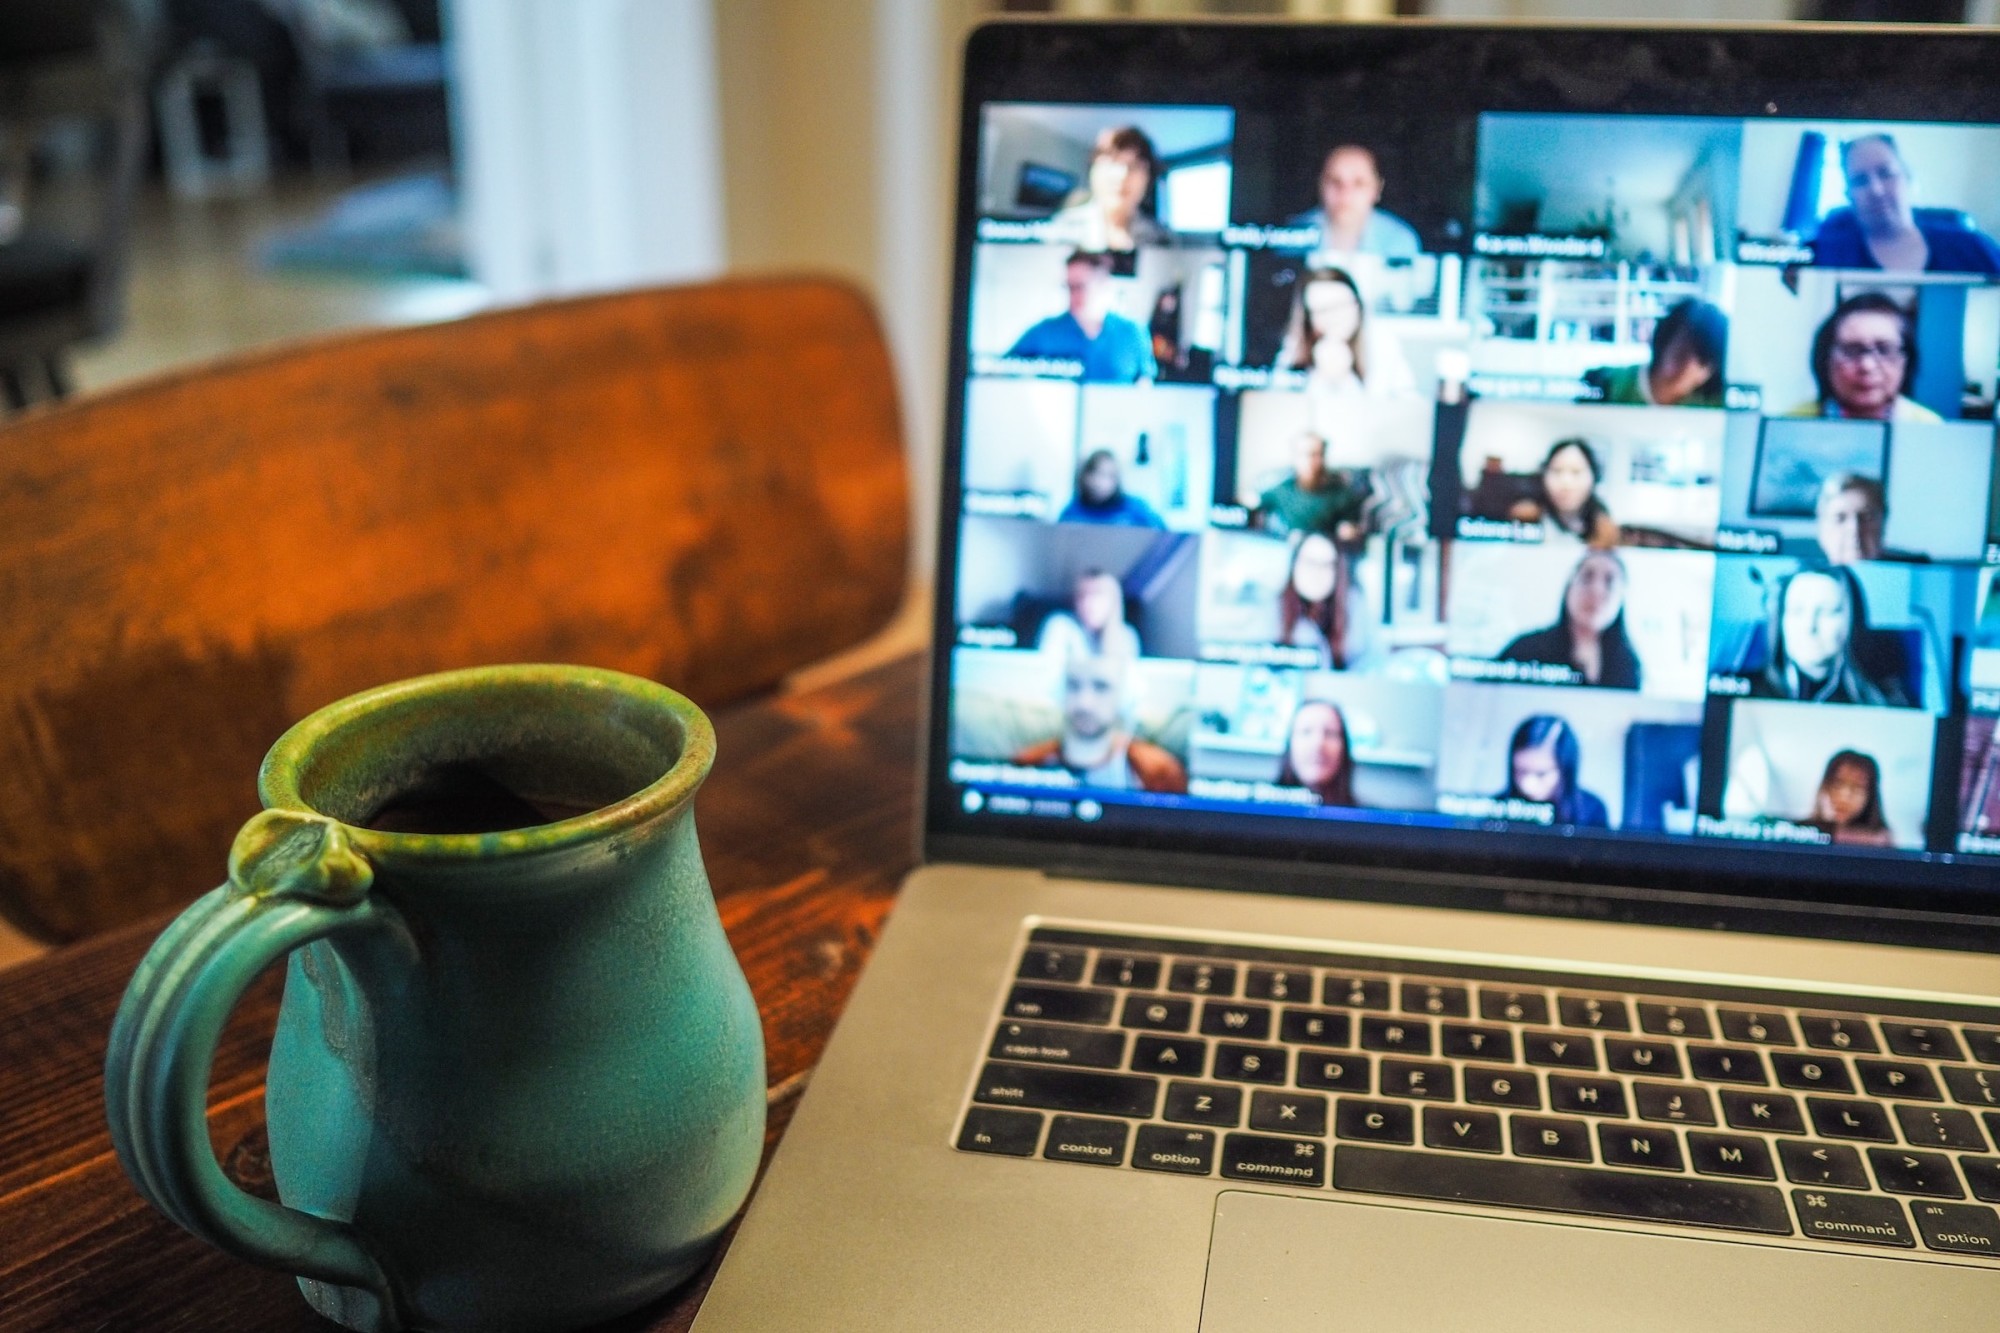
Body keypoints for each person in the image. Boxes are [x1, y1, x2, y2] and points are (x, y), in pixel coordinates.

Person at [1809, 133, 2000, 275]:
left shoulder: (1972, 247)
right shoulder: (1825, 256)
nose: (1876, 190)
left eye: (1886, 173)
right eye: (1860, 180)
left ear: (1908, 179)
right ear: (1848, 195)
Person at [1010, 652, 1187, 793]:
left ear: (1125, 696)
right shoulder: (1028, 763)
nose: (1084, 702)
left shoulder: (1160, 772)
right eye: (1073, 685)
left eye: (1101, 687)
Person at [1750, 566, 1912, 706]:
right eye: (1796, 611)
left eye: (1827, 612)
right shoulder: (1746, 690)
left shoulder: (1885, 701)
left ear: (1852, 621)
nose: (1809, 627)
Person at [1785, 292, 1941, 423]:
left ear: (1906, 361)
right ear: (1825, 359)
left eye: (1884, 349)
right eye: (1851, 350)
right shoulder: (1792, 422)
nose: (1867, 366)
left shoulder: (1928, 427)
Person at [1499, 549, 1643, 690]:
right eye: (1587, 577)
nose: (1596, 591)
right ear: (1569, 587)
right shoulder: (1524, 650)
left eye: (1609, 582)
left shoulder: (1629, 665)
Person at [1007, 250, 1157, 383]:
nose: (1072, 295)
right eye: (1069, 287)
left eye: (1079, 287)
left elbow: (1144, 385)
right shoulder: (1043, 333)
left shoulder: (1133, 333)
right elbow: (1003, 373)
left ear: (1103, 284)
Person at [1275, 265, 1414, 398]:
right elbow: (1277, 404)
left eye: (1341, 305)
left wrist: (1344, 379)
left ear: (1358, 305)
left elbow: (1408, 407)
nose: (1335, 317)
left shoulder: (1384, 345)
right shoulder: (1293, 350)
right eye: (1323, 310)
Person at [1581, 299, 1729, 408]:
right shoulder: (1606, 383)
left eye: (1702, 360)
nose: (1687, 365)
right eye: (1682, 349)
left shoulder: (1714, 406)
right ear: (1664, 339)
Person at [1047, 126, 1168, 252]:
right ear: (1093, 171)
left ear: (1149, 179)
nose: (1122, 175)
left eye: (1134, 166)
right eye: (1113, 162)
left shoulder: (1163, 240)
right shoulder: (1057, 232)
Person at [1285, 145, 1421, 257]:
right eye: (1335, 181)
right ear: (1320, 185)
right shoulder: (1290, 235)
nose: (1345, 193)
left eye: (1359, 183)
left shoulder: (1399, 240)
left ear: (1377, 189)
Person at [1495, 715, 1609, 828]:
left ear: (1565, 770)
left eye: (1541, 774)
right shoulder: (1496, 806)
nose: (1527, 785)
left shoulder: (1592, 809)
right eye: (1520, 771)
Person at [1507, 438, 1619, 548]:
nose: (1566, 483)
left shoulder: (1603, 527)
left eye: (1576, 472)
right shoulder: (1526, 515)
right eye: (1557, 471)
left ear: (1594, 477)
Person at [1256, 431, 1366, 540]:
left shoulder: (1342, 495)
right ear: (1295, 458)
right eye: (1306, 454)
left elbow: (1352, 525)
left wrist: (1348, 530)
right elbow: (1253, 502)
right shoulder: (1281, 491)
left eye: (1319, 454)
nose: (1312, 461)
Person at [1278, 532, 1350, 669]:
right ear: (1294, 565)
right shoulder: (1271, 613)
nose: (1317, 572)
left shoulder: (1352, 615)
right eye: (1310, 562)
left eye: (1326, 565)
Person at [1036, 569, 1142, 661]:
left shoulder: (1126, 636)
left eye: (1097, 594)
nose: (1087, 602)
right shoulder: (1060, 626)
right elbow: (1048, 672)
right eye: (1082, 595)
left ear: (1113, 601)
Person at [1802, 749, 1895, 847]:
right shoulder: (1798, 833)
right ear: (1824, 786)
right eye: (1837, 784)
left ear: (1870, 797)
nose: (1844, 797)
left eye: (1857, 788)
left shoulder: (1881, 842)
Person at [1275, 700, 1358, 806]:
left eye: (1330, 733)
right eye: (1306, 731)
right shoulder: (1258, 808)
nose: (1318, 744)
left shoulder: (1369, 818)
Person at [1058, 450, 1165, 527]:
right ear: (1086, 477)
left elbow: (1164, 536)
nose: (1100, 482)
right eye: (1096, 474)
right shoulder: (1072, 511)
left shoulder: (1137, 508)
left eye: (1109, 476)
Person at [1814, 472, 1893, 565]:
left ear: (1883, 524)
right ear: (1822, 530)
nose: (1854, 529)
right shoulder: (1803, 578)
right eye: (1840, 518)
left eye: (1867, 517)